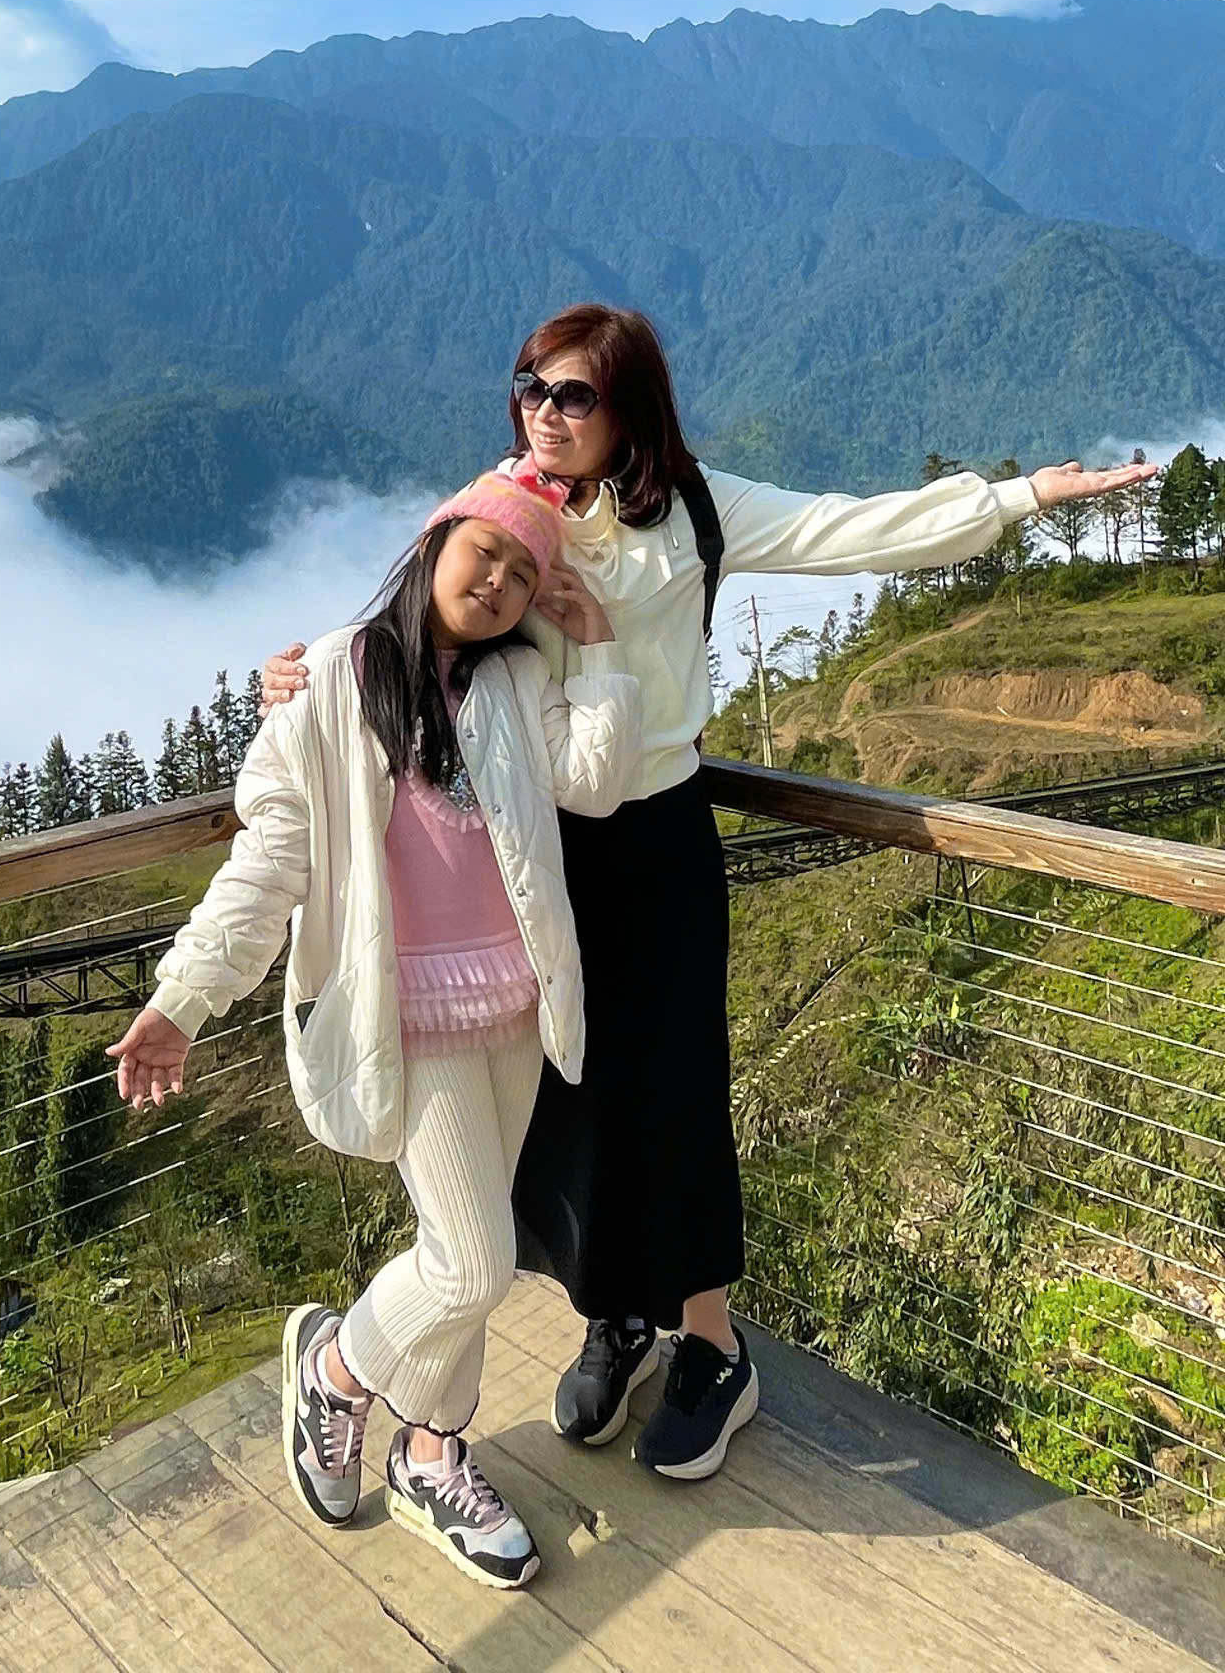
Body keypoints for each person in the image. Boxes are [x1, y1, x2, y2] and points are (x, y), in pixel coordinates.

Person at [264, 302, 1158, 1482]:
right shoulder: (509, 501)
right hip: (538, 853)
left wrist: (1020, 498)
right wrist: (307, 669)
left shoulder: (695, 507)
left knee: (677, 1093)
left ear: (629, 407)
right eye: (531, 386)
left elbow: (850, 530)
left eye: (574, 394)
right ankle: (615, 1313)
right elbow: (430, 607)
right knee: (571, 1107)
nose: (545, 413)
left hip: (659, 840)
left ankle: (712, 1346)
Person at [107, 463, 640, 1592]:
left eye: (521, 574)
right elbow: (268, 865)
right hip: (406, 1018)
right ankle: (337, 1372)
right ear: (434, 542)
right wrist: (183, 999)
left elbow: (595, 781)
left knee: (471, 1241)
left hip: (515, 1002)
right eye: (483, 554)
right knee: (473, 1263)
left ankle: (432, 1454)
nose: (497, 584)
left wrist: (593, 646)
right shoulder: (327, 684)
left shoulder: (514, 678)